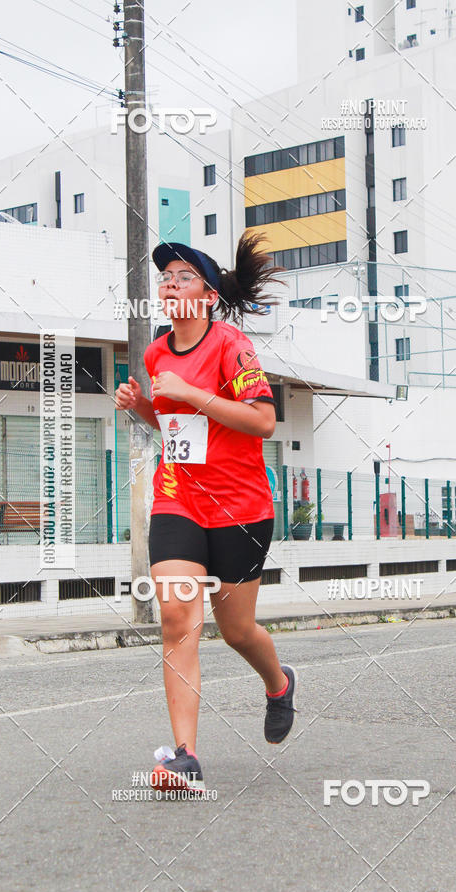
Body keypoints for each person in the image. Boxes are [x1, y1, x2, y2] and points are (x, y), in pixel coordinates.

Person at [114, 233, 298, 793]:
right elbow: (178, 431)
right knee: (177, 620)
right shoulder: (155, 352)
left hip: (239, 506)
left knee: (236, 628)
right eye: (165, 276)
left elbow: (263, 421)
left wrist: (190, 394)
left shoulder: (232, 347)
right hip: (177, 499)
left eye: (183, 276)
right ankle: (184, 757)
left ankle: (278, 682)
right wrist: (143, 406)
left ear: (209, 295)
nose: (169, 283)